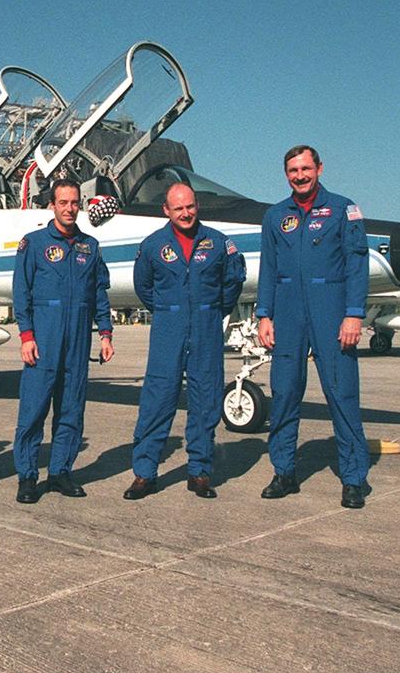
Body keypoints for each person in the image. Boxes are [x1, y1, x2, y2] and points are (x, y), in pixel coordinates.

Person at [256, 145, 371, 509]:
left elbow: (357, 263)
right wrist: (264, 315)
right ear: (286, 174)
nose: (300, 175)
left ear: (319, 168)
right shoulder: (275, 217)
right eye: (293, 170)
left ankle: (354, 479)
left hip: (331, 312)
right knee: (285, 393)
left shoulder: (342, 209)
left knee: (342, 394)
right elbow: (269, 270)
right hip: (288, 313)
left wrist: (353, 314)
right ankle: (284, 472)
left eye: (306, 168)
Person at [124, 183, 246, 501]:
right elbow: (144, 286)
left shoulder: (218, 243)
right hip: (168, 328)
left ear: (197, 206)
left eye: (190, 206)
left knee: (205, 403)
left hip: (206, 328)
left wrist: (210, 309)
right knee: (157, 401)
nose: (185, 213)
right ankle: (145, 474)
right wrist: (170, 310)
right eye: (178, 208)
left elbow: (233, 282)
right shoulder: (152, 245)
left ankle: (199, 472)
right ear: (166, 210)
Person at [11, 177, 114, 503]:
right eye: (63, 203)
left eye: (74, 203)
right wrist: (26, 336)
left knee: (71, 410)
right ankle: (27, 477)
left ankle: (60, 473)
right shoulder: (34, 243)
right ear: (52, 205)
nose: (70, 209)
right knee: (33, 411)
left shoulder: (90, 247)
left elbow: (99, 293)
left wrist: (106, 333)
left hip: (78, 342)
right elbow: (21, 293)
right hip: (44, 339)